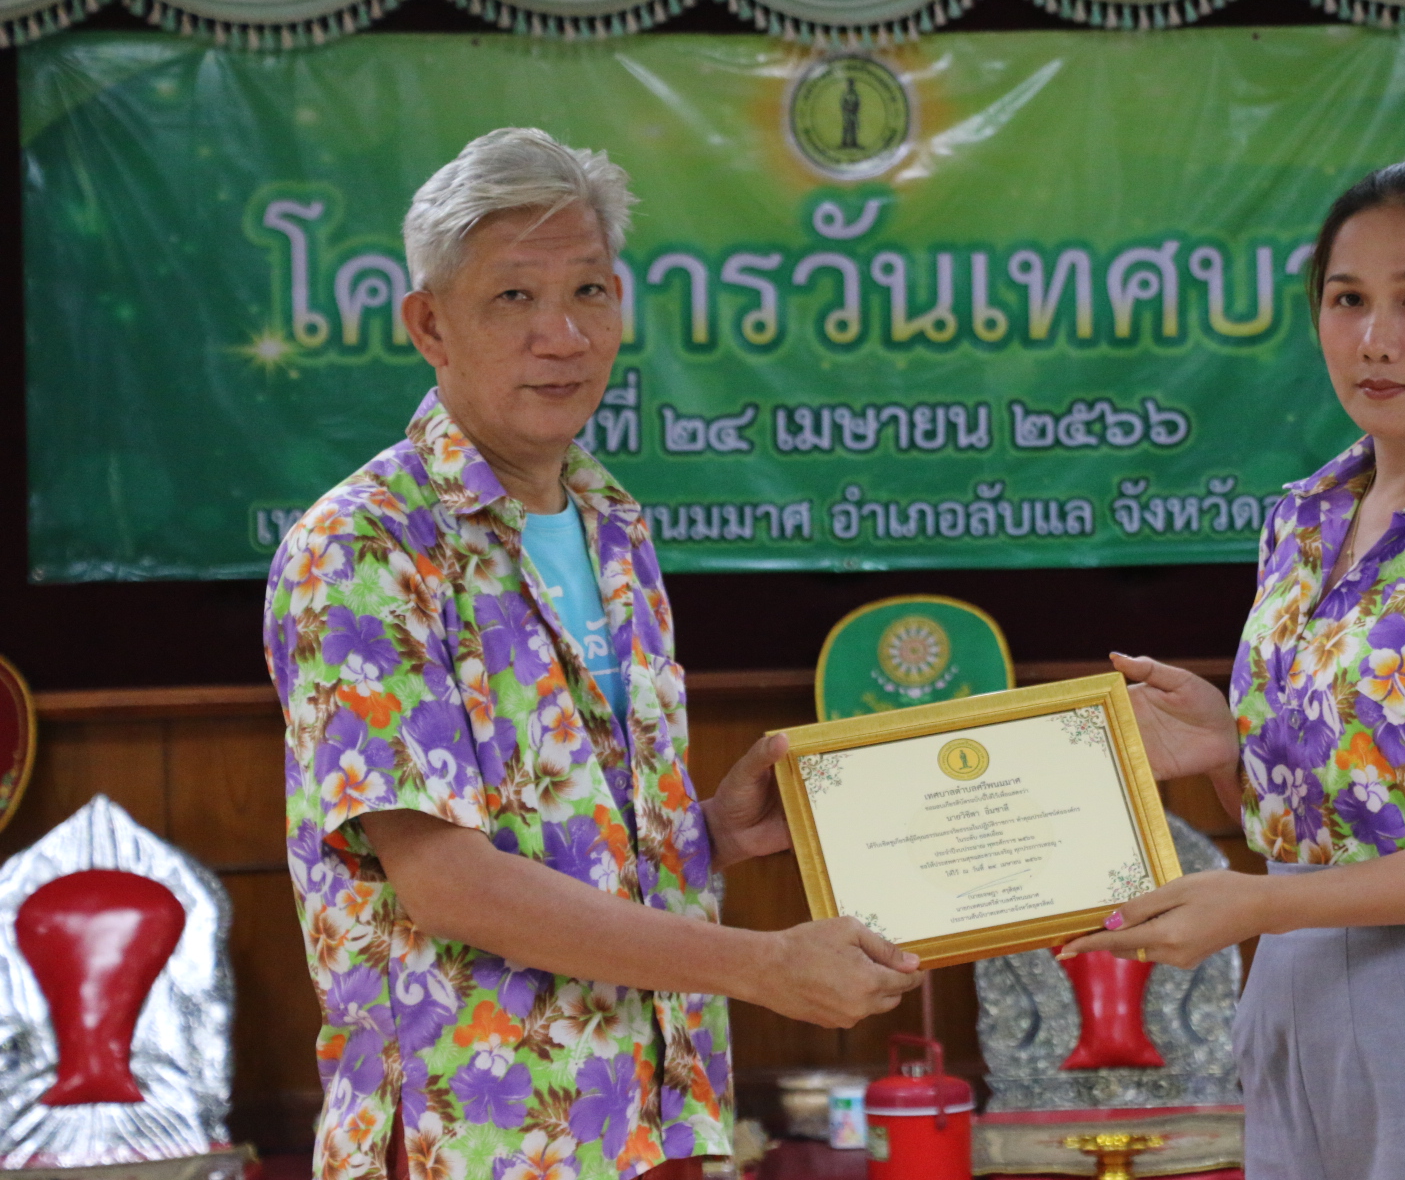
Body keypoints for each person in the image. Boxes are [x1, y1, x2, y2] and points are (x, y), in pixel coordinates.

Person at [264, 128, 922, 1180]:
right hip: (474, 1137)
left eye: (589, 291)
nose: (563, 336)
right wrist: (763, 965)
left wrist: (706, 835)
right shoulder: (364, 546)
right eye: (513, 297)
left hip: (653, 1117)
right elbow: (449, 884)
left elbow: (556, 835)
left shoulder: (613, 522)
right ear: (430, 324)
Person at [1063, 161, 1405, 1179]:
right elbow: (1307, 828)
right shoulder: (1299, 522)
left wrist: (1262, 906)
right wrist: (1230, 749)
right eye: (1347, 299)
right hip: (1290, 1001)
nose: (1376, 339)